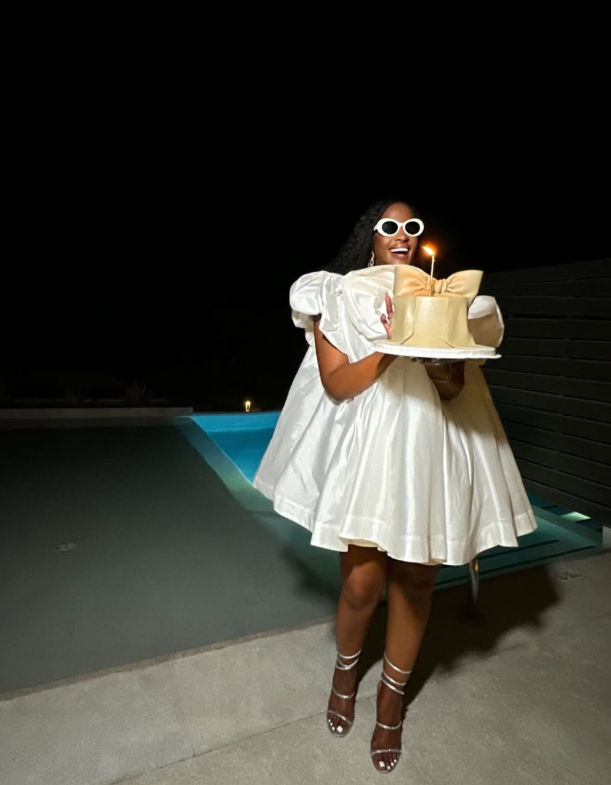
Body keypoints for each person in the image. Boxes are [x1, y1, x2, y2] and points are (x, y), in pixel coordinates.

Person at [253, 197, 537, 774]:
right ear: (371, 237)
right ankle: (345, 672)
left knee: (416, 583)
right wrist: (389, 347)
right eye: (390, 226)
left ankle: (390, 703)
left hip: (430, 449)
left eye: (413, 227)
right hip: (371, 456)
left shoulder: (444, 300)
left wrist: (436, 358)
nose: (403, 234)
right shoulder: (339, 294)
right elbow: (336, 385)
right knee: (361, 584)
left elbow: (455, 392)